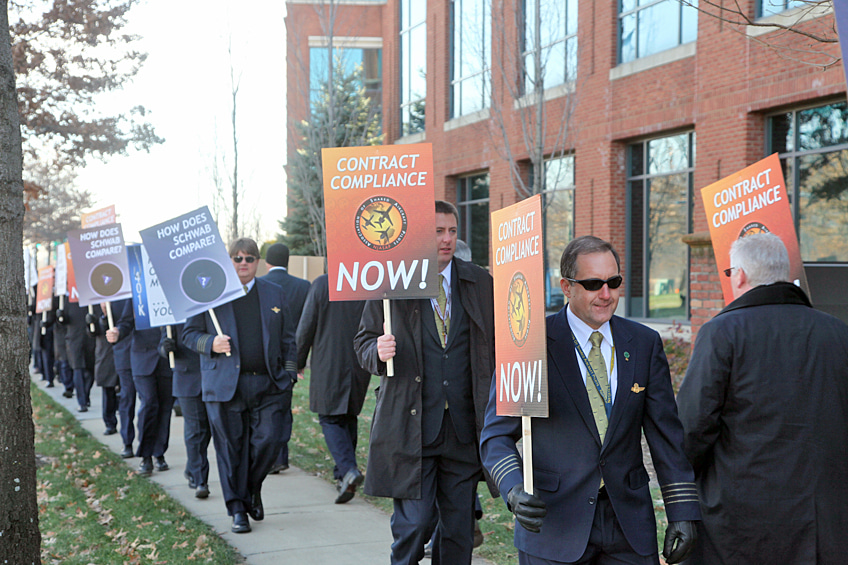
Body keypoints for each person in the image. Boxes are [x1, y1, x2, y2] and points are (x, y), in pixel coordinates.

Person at [480, 235, 700, 565]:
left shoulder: (644, 343)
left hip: (628, 526)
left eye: (614, 282)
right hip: (552, 526)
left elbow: (667, 437)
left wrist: (682, 510)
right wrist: (513, 489)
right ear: (566, 287)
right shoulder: (529, 343)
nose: (606, 294)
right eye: (594, 284)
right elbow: (495, 436)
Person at [676, 232, 848, 565]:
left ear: (739, 275)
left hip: (740, 522)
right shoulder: (838, 333)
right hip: (823, 519)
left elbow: (691, 427)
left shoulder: (722, 332)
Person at [354, 200, 497, 564]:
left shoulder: (479, 282)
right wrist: (377, 350)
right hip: (411, 427)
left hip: (463, 429)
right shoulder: (391, 282)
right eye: (437, 231)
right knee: (414, 527)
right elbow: (362, 343)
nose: (446, 239)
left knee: (459, 533)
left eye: (452, 231)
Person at [182, 237, 298, 534]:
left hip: (269, 384)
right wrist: (211, 343)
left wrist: (289, 376)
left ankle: (251, 488)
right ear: (229, 261)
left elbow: (288, 338)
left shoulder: (274, 293)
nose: (243, 263)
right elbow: (189, 335)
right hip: (224, 385)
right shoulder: (210, 293)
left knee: (270, 440)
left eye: (249, 258)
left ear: (258, 262)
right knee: (230, 449)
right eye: (237, 258)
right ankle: (237, 510)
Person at [296, 273, 371, 503]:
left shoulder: (323, 284)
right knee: (348, 416)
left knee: (329, 417)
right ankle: (343, 478)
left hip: (329, 361)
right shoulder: (366, 283)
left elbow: (306, 325)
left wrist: (298, 361)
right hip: (359, 362)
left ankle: (348, 470)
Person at [107, 305, 175, 477]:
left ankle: (159, 452)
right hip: (142, 357)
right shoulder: (138, 293)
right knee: (149, 403)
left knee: (165, 407)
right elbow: (126, 322)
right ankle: (146, 455)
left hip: (167, 358)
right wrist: (118, 332)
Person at [261, 242, 310, 475]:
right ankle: (281, 455)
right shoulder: (303, 286)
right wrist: (301, 360)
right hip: (292, 354)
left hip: (265, 356)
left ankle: (273, 457)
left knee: (267, 408)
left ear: (266, 262)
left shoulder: (261, 286)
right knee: (283, 406)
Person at [160, 323, 211, 499]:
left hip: (213, 376)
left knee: (210, 429)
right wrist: (166, 348)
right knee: (195, 429)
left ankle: (192, 467)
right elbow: (162, 345)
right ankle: (199, 479)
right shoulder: (174, 316)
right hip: (187, 378)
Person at [110, 298, 137, 459]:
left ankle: (154, 450)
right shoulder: (112, 291)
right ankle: (127, 441)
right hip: (124, 352)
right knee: (127, 398)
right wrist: (104, 317)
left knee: (150, 402)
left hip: (149, 351)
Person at [88, 304, 119, 436]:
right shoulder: (94, 307)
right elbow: (93, 332)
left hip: (124, 351)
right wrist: (92, 322)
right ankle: (110, 422)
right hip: (106, 353)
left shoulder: (122, 304)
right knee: (108, 390)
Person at [65, 302, 96, 412]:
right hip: (74, 338)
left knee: (90, 370)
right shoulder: (69, 300)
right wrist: (60, 316)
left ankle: (85, 394)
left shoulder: (92, 299)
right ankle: (82, 401)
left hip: (90, 339)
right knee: (77, 369)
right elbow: (63, 319)